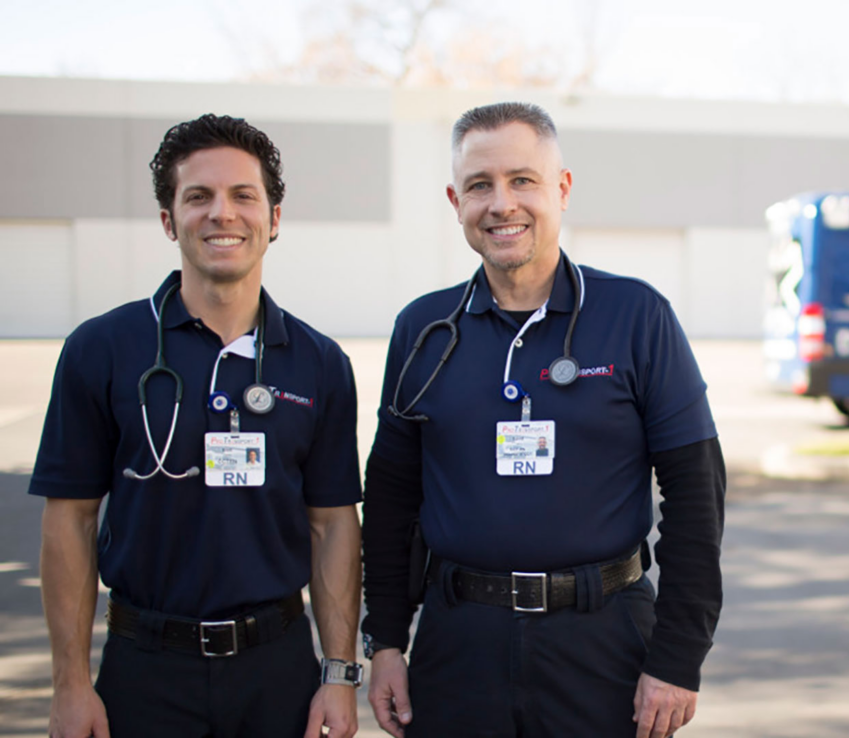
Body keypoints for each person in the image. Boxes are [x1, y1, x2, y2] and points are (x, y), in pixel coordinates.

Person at [361, 101, 726, 738]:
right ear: (456, 201)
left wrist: (677, 658)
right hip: (459, 647)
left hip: (604, 642)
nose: (502, 203)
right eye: (480, 185)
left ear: (561, 188)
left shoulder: (636, 316)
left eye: (522, 180)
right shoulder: (422, 331)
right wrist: (386, 641)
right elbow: (392, 501)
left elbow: (698, 498)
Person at [31, 114, 364, 738]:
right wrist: (71, 685)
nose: (223, 214)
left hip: (279, 671)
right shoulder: (101, 349)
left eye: (244, 195)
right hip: (145, 671)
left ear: (275, 218)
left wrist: (339, 676)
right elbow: (69, 520)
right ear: (168, 221)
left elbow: (333, 524)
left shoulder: (319, 363)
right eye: (198, 197)